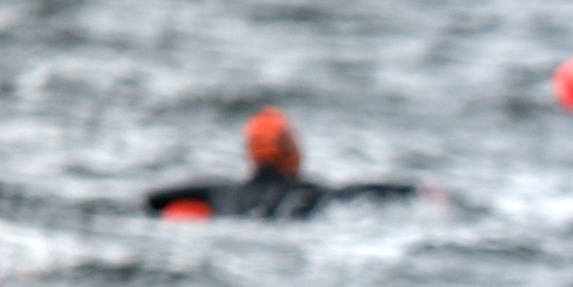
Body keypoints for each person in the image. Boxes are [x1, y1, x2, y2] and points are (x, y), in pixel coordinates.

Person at [145, 108, 418, 221]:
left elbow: (153, 200)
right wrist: (414, 190)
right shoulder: (311, 194)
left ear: (251, 153)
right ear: (294, 151)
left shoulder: (219, 192)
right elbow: (359, 191)